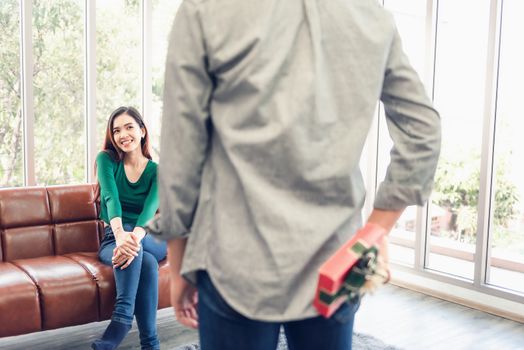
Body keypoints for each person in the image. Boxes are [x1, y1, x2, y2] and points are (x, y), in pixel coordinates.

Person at [151, 1, 441, 349]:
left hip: (234, 259)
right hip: (335, 259)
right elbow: (423, 130)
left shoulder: (206, 10)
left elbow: (181, 149)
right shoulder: (371, 16)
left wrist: (180, 257)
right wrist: (377, 229)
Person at [92, 106, 167, 350]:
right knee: (144, 262)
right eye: (116, 130)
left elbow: (149, 209)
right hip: (113, 237)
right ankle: (150, 344)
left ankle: (121, 321)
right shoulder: (106, 160)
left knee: (138, 249)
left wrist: (131, 237)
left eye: (129, 127)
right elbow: (110, 197)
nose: (123, 134)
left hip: (150, 236)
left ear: (142, 131)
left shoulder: (157, 171)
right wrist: (120, 235)